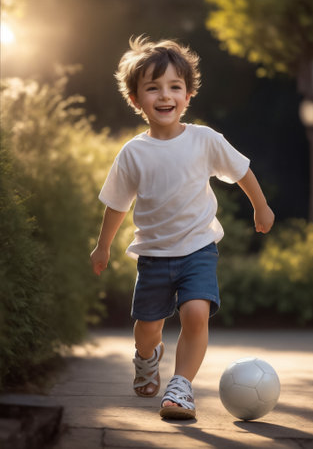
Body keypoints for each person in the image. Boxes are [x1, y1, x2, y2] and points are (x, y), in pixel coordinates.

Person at [90, 35, 275, 420]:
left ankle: (181, 388)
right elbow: (116, 205)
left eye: (175, 86)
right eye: (153, 88)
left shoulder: (205, 140)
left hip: (198, 249)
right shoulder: (133, 153)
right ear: (136, 99)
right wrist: (103, 246)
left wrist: (262, 207)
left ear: (188, 95)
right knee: (146, 328)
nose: (165, 95)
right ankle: (147, 358)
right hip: (154, 256)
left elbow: (242, 171)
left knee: (195, 314)